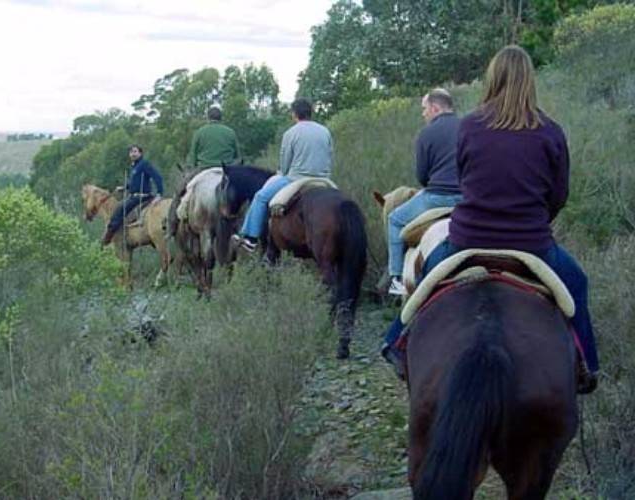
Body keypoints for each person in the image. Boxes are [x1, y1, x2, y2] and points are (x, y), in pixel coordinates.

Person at [382, 45, 598, 394]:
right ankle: (588, 363)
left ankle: (396, 341)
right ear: (530, 81)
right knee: (577, 283)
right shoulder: (551, 131)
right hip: (532, 244)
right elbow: (558, 196)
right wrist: (536, 220)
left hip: (467, 239)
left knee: (425, 276)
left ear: (492, 79)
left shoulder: (468, 127)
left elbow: (467, 181)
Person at [386, 88, 463, 296]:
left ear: (435, 107)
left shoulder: (426, 133)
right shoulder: (468, 127)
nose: (423, 114)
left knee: (394, 220)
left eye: (424, 109)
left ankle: (396, 278)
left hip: (436, 198)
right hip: (467, 199)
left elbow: (422, 176)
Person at [232, 98, 333, 252]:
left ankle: (250, 238)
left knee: (260, 197)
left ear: (294, 114)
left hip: (296, 178)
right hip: (323, 179)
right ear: (310, 113)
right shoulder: (325, 131)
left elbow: (285, 165)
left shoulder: (291, 133)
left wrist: (282, 173)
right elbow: (329, 156)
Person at [101, 145, 164, 245]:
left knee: (120, 209)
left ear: (140, 153)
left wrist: (159, 193)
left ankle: (108, 236)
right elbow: (135, 183)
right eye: (131, 152)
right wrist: (124, 187)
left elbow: (157, 177)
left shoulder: (144, 164)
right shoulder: (134, 166)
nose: (133, 154)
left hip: (141, 196)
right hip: (134, 195)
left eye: (135, 152)